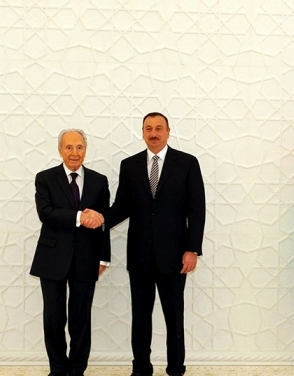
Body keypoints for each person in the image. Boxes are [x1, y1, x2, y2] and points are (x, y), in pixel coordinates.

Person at [106, 112, 206, 376]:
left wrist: (192, 249)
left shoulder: (187, 163)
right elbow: (122, 206)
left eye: (159, 128)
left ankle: (176, 369)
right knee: (140, 318)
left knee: (174, 318)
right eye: (148, 128)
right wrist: (98, 218)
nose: (154, 133)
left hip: (175, 257)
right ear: (142, 132)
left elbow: (197, 210)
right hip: (139, 256)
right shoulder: (129, 165)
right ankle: (141, 368)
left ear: (168, 131)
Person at [30, 129, 110, 376]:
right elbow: (45, 213)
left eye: (79, 147)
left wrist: (104, 257)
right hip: (52, 258)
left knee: (80, 318)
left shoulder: (99, 180)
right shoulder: (45, 178)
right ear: (60, 150)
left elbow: (103, 222)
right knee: (54, 318)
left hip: (87, 258)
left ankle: (77, 370)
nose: (74, 153)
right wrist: (79, 217)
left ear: (85, 150)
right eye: (69, 147)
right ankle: (57, 369)